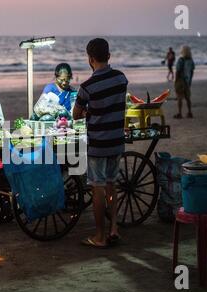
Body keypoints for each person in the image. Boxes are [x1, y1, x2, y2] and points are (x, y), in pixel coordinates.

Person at [73, 38, 128, 248]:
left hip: (98, 144)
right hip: (116, 142)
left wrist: (89, 110)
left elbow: (75, 114)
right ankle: (114, 228)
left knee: (97, 188)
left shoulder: (87, 87)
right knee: (111, 185)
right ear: (109, 56)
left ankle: (99, 236)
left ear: (90, 59)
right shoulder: (121, 79)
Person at [174, 45, 195, 119]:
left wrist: (176, 80)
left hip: (180, 81)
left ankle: (180, 113)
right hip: (187, 81)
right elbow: (192, 72)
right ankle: (190, 112)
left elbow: (178, 71)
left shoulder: (181, 60)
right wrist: (190, 81)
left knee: (179, 97)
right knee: (187, 98)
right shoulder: (191, 61)